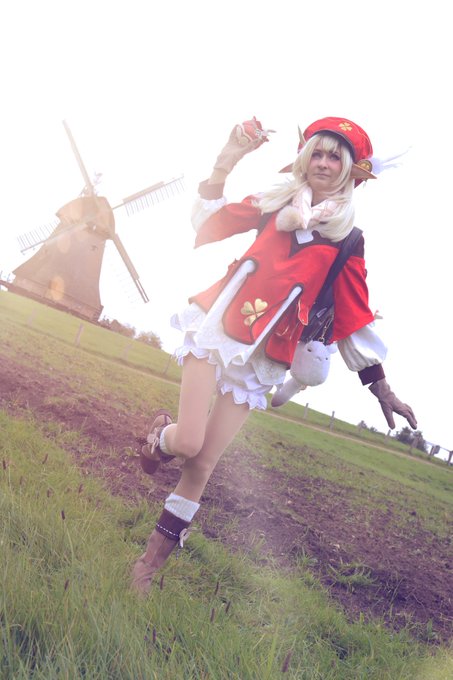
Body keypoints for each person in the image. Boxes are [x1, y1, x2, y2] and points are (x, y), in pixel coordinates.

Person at [131, 116, 418, 595]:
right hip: (218, 326)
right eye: (317, 153)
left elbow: (353, 315)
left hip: (266, 355)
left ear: (350, 170)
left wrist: (381, 386)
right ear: (305, 157)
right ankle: (161, 438)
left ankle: (146, 568)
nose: (323, 163)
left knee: (202, 465)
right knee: (188, 443)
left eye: (334, 157)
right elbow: (210, 222)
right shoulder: (275, 202)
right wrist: (227, 159)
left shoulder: (348, 239)